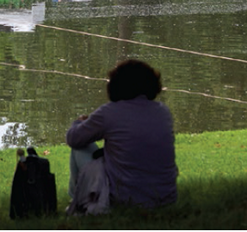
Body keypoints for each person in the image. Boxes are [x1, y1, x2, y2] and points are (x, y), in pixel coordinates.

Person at [66, 59, 178, 212]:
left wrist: (79, 123)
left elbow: (73, 138)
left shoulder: (109, 112)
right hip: (165, 197)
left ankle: (77, 199)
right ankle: (79, 199)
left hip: (124, 198)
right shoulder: (163, 112)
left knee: (79, 147)